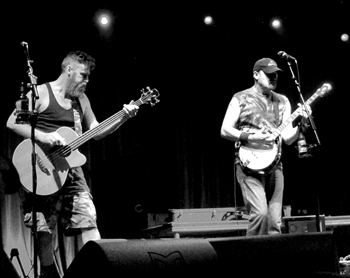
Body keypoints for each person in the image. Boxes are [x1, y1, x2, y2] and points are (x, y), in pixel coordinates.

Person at [6, 50, 139, 277]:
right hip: (41, 168)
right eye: (83, 75)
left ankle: (98, 272)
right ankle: (49, 274)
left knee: (88, 220)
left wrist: (123, 117)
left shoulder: (81, 100)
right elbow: (12, 122)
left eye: (88, 77)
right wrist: (43, 136)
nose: (86, 81)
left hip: (72, 171)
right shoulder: (40, 93)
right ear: (68, 69)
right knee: (43, 230)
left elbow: (96, 131)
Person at [220, 57, 310, 236]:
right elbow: (225, 130)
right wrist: (251, 136)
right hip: (248, 165)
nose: (274, 77)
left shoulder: (282, 101)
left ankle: (273, 262)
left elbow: (288, 139)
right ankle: (250, 260)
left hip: (275, 165)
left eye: (276, 74)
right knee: (260, 215)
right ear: (255, 74)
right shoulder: (241, 98)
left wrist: (301, 122)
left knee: (274, 221)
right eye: (269, 74)